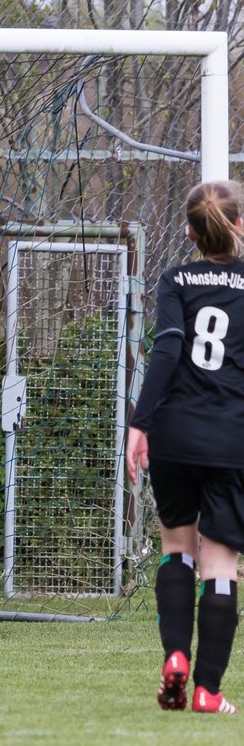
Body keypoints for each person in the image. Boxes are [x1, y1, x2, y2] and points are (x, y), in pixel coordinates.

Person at [127, 179, 244, 714]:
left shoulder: (175, 278)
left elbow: (168, 349)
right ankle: (207, 690)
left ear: (191, 233)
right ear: (239, 224)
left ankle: (175, 656)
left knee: (177, 547)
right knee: (220, 564)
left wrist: (139, 423)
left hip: (174, 432)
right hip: (232, 437)